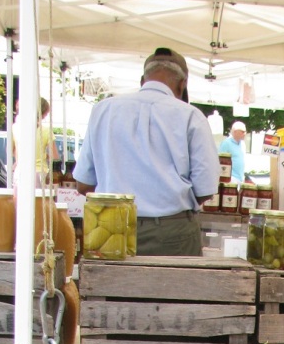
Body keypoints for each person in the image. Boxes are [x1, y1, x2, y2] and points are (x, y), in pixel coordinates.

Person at [74, 48, 219, 256]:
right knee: (176, 289)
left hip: (110, 228)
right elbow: (205, 189)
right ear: (182, 84)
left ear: (143, 80)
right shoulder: (191, 116)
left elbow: (84, 184)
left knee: (109, 289)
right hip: (172, 233)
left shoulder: (103, 110)